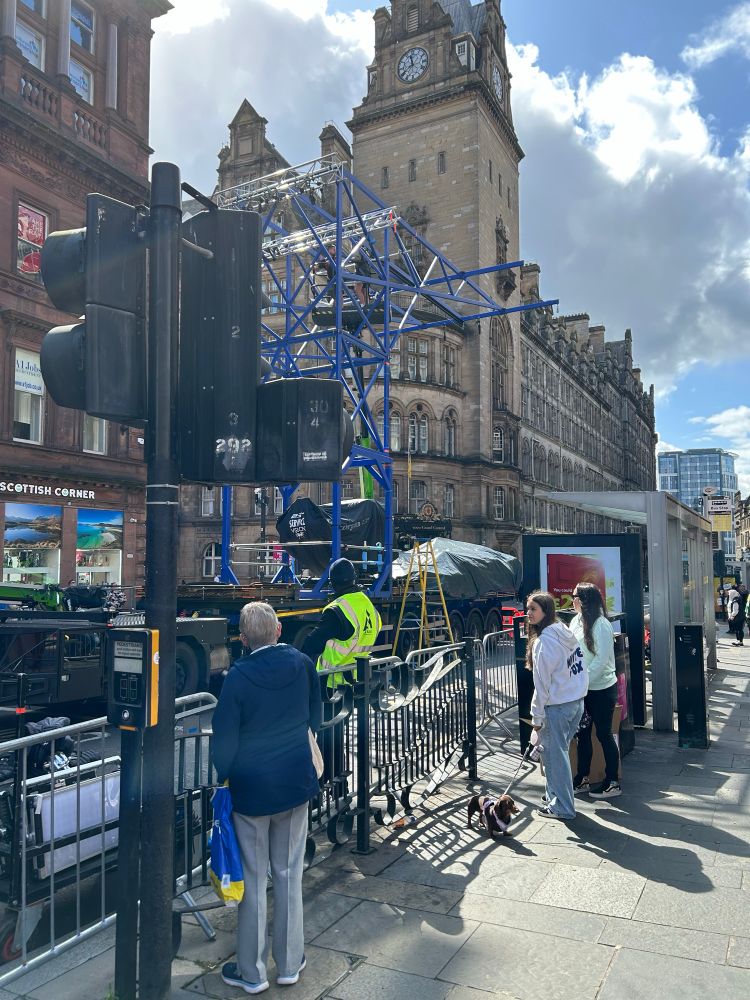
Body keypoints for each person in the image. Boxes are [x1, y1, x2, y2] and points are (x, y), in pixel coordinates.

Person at [212, 602, 322, 995]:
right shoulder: (300, 662)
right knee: (290, 873)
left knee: (254, 880)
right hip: (295, 783)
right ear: (277, 631)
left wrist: (222, 776)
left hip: (252, 792)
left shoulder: (237, 677)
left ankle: (252, 971)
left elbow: (224, 739)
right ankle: (290, 963)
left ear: (243, 639)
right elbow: (315, 714)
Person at [301, 558, 381, 788]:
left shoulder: (338, 610)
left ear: (333, 583)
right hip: (354, 679)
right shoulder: (367, 606)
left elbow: (311, 643)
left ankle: (328, 785)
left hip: (331, 683)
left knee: (327, 736)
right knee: (337, 734)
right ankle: (339, 785)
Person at [526, 591, 587, 820]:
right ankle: (554, 797)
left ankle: (562, 807)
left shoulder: (544, 642)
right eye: (528, 608)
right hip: (574, 703)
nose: (528, 613)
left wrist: (536, 718)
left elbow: (542, 684)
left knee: (555, 758)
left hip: (557, 707)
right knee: (558, 755)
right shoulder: (565, 632)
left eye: (533, 609)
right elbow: (580, 666)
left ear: (545, 612)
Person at [569, 583, 621, 798]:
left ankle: (612, 781)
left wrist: (584, 680)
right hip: (582, 689)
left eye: (575, 596)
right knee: (582, 734)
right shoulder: (575, 621)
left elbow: (602, 659)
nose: (571, 600)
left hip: (601, 689)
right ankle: (582, 778)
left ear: (584, 600)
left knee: (603, 734)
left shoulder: (601, 624)